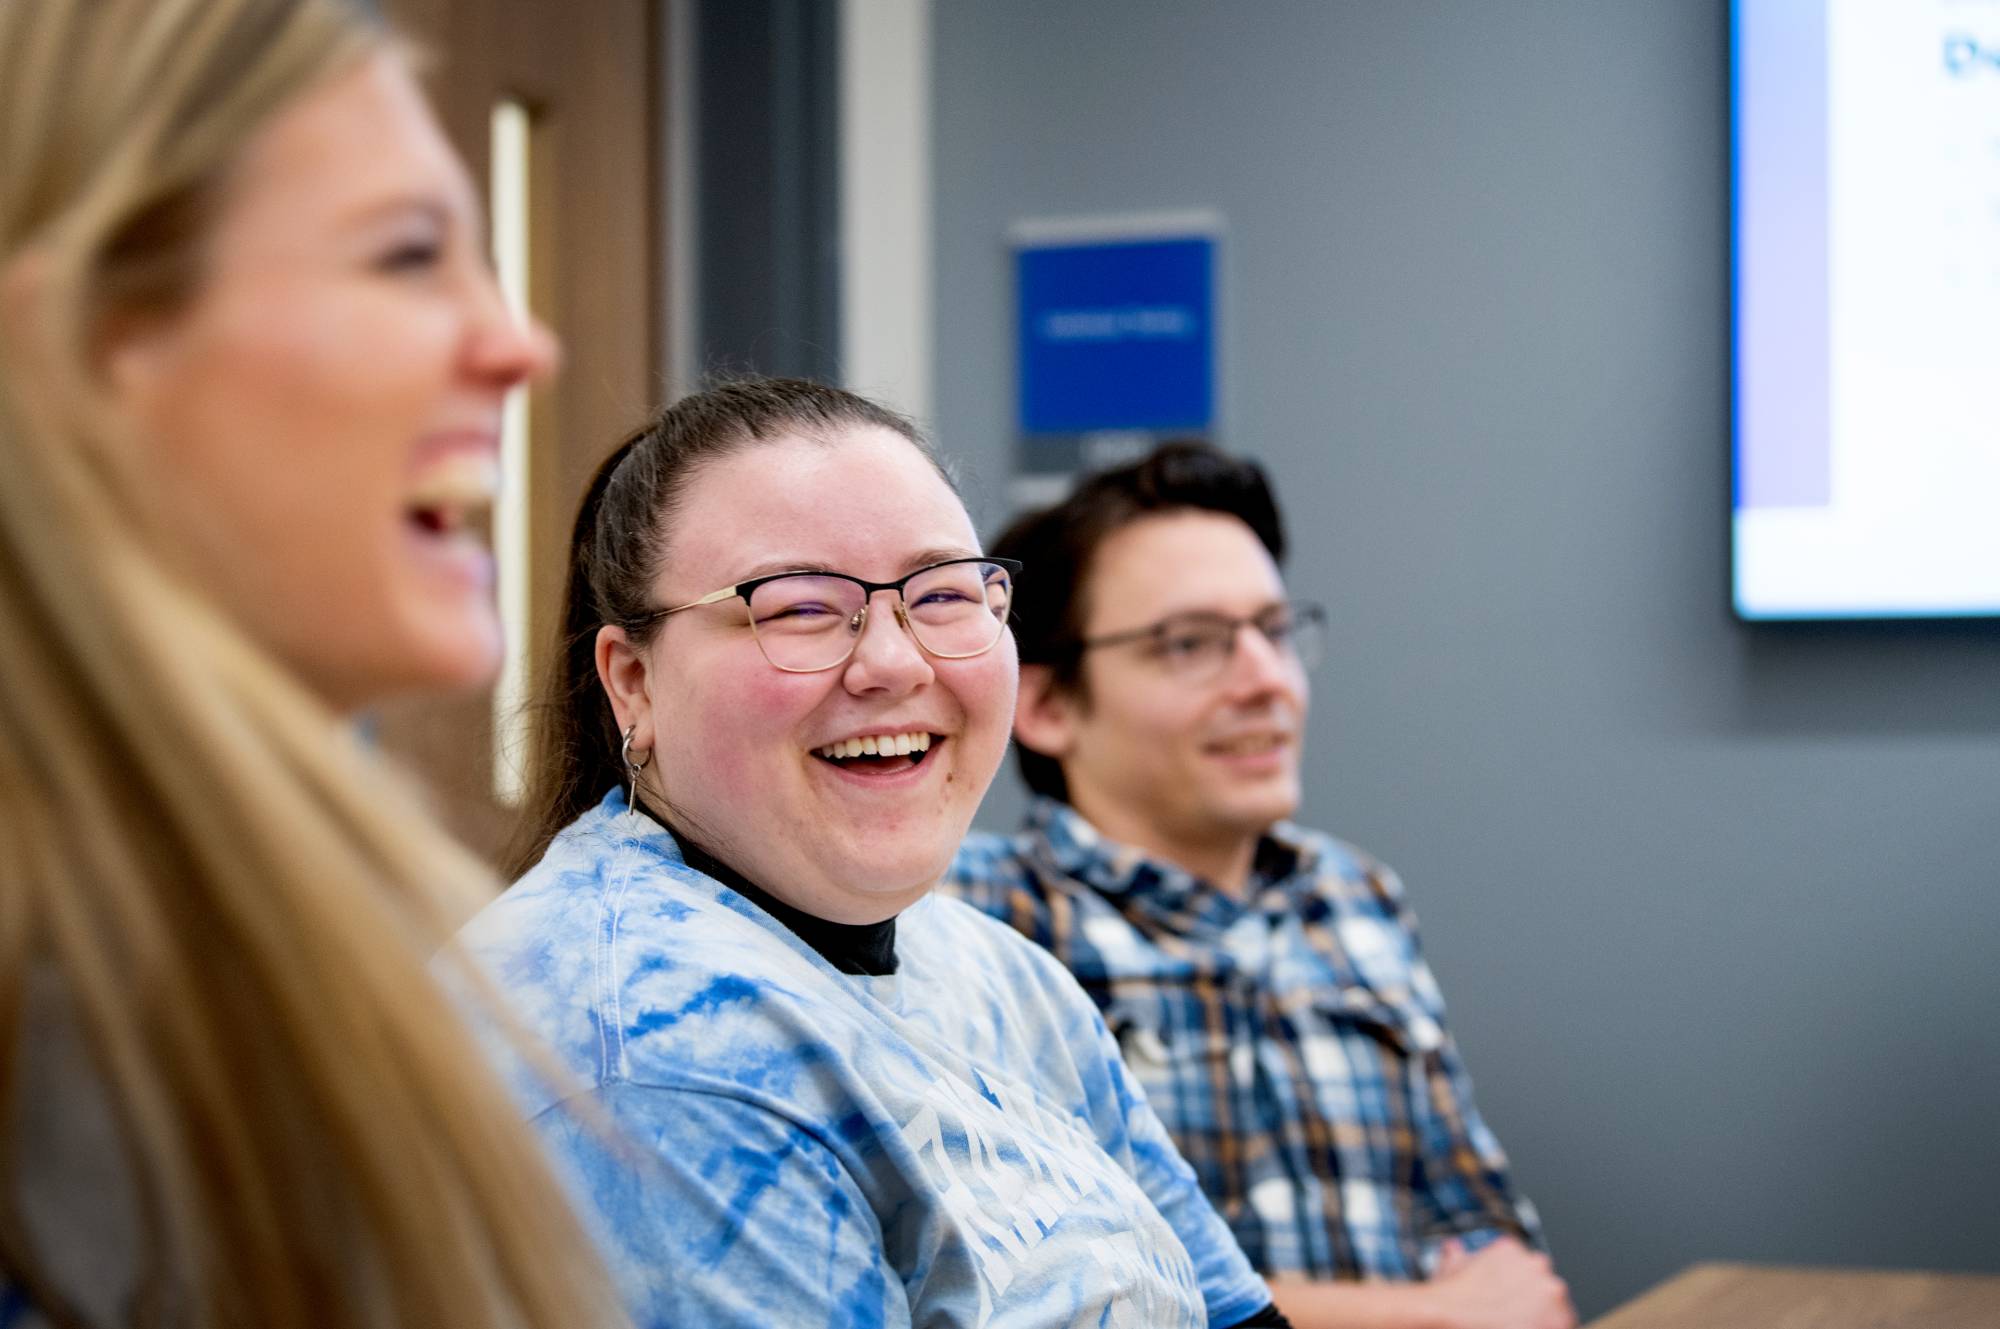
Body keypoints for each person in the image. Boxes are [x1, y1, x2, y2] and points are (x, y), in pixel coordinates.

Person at [0, 2, 625, 1326]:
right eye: (407, 256)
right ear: (86, 347)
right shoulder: (69, 1013)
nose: (521, 344)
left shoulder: (254, 925)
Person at [459, 377, 1293, 1328]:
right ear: (634, 682)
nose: (895, 662)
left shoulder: (998, 977)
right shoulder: (645, 1052)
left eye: (942, 594)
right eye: (801, 608)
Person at [944, 441, 1575, 1329]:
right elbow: (1032, 1291)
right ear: (1045, 707)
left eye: (1275, 633)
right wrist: (1424, 1317)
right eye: (1191, 644)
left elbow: (1492, 1251)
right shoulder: (976, 919)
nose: (1268, 681)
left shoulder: (1355, 898)